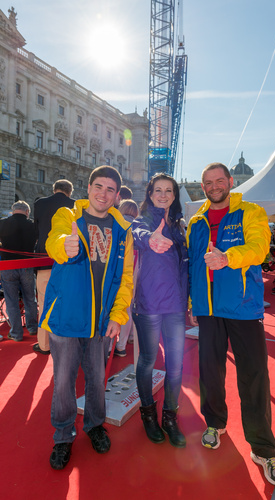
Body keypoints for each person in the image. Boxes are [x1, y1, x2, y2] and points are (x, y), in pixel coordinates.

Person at [186, 162, 275, 487]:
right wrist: (192, 303)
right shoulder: (196, 222)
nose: (214, 186)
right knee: (210, 372)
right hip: (208, 311)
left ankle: (264, 449)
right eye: (208, 182)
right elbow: (192, 267)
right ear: (203, 187)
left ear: (229, 181)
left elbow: (260, 249)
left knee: (254, 376)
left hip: (243, 308)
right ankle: (215, 423)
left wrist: (228, 257)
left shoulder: (251, 212)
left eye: (219, 180)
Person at [39, 166, 133, 470]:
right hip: (67, 316)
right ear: (88, 187)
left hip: (100, 321)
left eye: (110, 189)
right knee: (64, 381)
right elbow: (55, 241)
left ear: (117, 196)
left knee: (96, 379)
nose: (103, 193)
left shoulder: (123, 231)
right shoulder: (68, 216)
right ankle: (63, 436)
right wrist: (64, 245)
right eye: (98, 186)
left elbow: (126, 278)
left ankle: (94, 425)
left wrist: (118, 316)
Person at [132, 173, 188, 448]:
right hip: (149, 305)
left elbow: (185, 268)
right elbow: (137, 233)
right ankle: (148, 414)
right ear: (150, 194)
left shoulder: (180, 226)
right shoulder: (143, 221)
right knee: (148, 359)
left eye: (169, 190)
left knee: (176, 366)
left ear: (174, 195)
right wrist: (149, 238)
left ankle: (170, 416)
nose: (163, 195)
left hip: (175, 306)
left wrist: (189, 303)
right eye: (158, 190)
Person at [33, 179, 75, 354]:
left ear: (54, 189)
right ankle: (68, 346)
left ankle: (44, 345)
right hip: (69, 261)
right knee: (70, 303)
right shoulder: (76, 206)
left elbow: (37, 230)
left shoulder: (40, 204)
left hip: (44, 259)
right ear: (70, 191)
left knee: (44, 303)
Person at [0, 201, 38, 341]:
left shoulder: (2, 223)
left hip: (8, 266)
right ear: (27, 212)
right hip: (27, 265)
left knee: (11, 300)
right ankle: (33, 328)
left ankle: (16, 333)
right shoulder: (33, 225)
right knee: (30, 298)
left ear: (13, 210)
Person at [114, 199, 139, 356]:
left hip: (118, 269)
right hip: (136, 270)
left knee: (114, 306)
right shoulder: (140, 226)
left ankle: (110, 346)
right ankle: (122, 345)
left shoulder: (117, 224)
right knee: (129, 307)